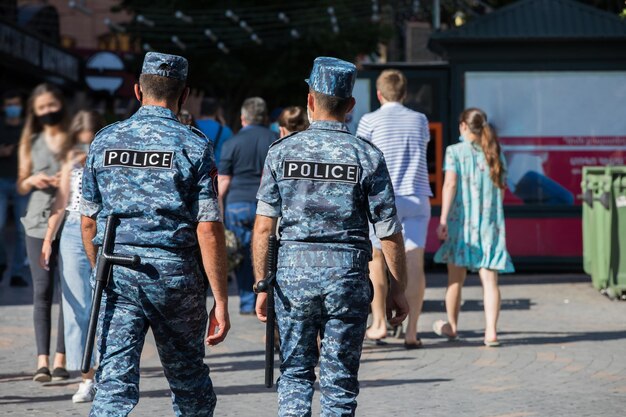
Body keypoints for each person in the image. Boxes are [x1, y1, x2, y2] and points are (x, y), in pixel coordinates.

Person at [253, 56, 410, 416]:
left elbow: (263, 226)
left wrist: (262, 285)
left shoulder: (282, 153)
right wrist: (398, 288)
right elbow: (389, 232)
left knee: (294, 374)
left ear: (310, 101)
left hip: (293, 276)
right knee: (339, 382)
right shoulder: (367, 156)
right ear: (351, 106)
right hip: (347, 277)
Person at [80, 52, 230, 416]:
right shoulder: (193, 145)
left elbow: (87, 220)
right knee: (189, 385)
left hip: (116, 270)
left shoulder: (105, 141)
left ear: (137, 91)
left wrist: (98, 270)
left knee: (113, 385)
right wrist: (221, 300)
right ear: (184, 94)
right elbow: (207, 227)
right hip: (174, 276)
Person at [356, 69, 432, 348]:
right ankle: (412, 331)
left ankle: (378, 324)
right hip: (416, 194)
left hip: (382, 197)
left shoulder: (369, 120)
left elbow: (363, 158)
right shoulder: (420, 119)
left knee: (376, 259)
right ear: (404, 93)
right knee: (414, 260)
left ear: (379, 94)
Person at [433, 108, 514, 347]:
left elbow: (449, 185)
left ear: (463, 126)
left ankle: (453, 326)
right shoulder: (494, 151)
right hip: (489, 223)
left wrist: (443, 219)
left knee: (455, 279)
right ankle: (491, 332)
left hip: (461, 223)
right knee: (490, 281)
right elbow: (501, 189)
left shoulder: (454, 152)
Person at [40, 110, 104, 403]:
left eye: (90, 140)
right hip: (72, 231)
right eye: (82, 142)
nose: (85, 147)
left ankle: (108, 369)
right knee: (75, 308)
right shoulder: (69, 158)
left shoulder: (108, 155)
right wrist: (48, 238)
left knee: (104, 305)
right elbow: (61, 201)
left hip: (102, 229)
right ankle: (86, 377)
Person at [17, 83, 71, 382]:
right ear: (35, 113)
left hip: (71, 220)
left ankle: (62, 358)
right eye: (42, 108)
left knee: (69, 291)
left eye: (52, 105)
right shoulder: (31, 140)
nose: (48, 111)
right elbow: (21, 184)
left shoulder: (74, 137)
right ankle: (42, 361)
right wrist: (33, 179)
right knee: (42, 291)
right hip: (37, 222)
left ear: (60, 105)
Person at [218, 97, 278, 315]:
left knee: (242, 254)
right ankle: (266, 296)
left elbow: (223, 181)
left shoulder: (231, 143)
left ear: (243, 118)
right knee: (268, 252)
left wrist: (218, 212)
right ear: (264, 117)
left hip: (237, 203)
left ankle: (246, 301)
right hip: (267, 204)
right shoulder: (274, 140)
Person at [0, 90, 29, 287]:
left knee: (21, 231)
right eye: (10, 104)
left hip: (22, 183)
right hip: (1, 182)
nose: (13, 108)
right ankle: (1, 263)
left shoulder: (28, 129)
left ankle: (17, 272)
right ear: (4, 107)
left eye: (16, 104)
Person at [196, 97, 233, 166]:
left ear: (200, 109)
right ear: (216, 112)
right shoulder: (225, 131)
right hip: (215, 172)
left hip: (193, 170)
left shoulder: (190, 126)